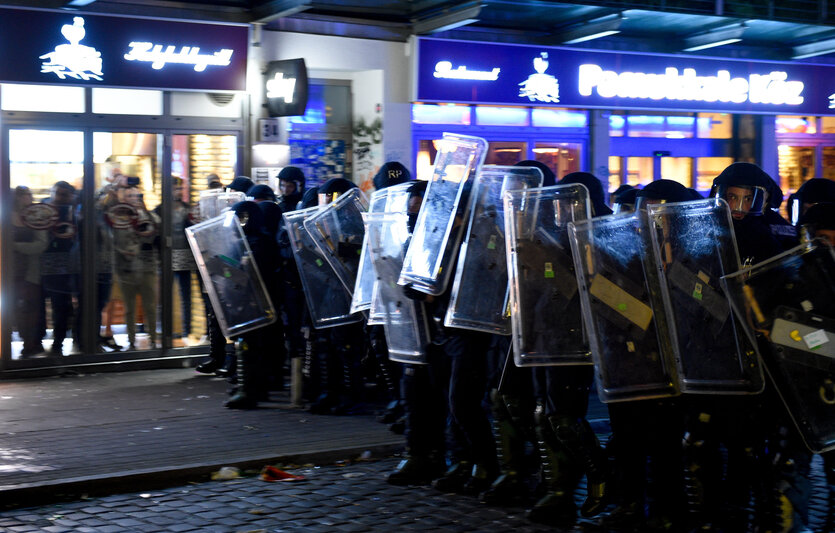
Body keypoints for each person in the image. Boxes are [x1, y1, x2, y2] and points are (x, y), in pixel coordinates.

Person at [224, 200, 280, 409]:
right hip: (246, 303)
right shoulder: (248, 240)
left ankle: (249, 390)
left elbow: (249, 276)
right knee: (250, 347)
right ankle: (250, 387)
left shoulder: (259, 243)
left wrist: (220, 269)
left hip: (256, 304)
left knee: (251, 347)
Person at [112, 184, 160, 351]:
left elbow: (157, 231)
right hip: (127, 267)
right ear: (124, 199)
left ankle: (153, 339)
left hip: (147, 266)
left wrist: (145, 212)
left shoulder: (147, 216)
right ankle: (131, 341)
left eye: (137, 197)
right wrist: (122, 252)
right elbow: (113, 241)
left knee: (150, 306)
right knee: (129, 307)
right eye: (131, 197)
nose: (134, 200)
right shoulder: (119, 219)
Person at [41, 181, 80, 356]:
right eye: (56, 193)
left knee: (66, 306)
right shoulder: (43, 211)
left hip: (71, 265)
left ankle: (64, 341)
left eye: (64, 194)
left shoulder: (77, 213)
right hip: (49, 265)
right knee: (53, 305)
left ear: (72, 196)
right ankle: (50, 342)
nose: (59, 198)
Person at [12, 186, 49, 358]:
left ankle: (30, 342)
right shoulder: (7, 215)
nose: (26, 198)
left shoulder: (36, 215)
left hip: (30, 271)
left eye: (28, 195)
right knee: (16, 308)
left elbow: (41, 244)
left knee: (30, 307)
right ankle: (25, 340)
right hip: (10, 271)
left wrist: (15, 246)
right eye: (22, 195)